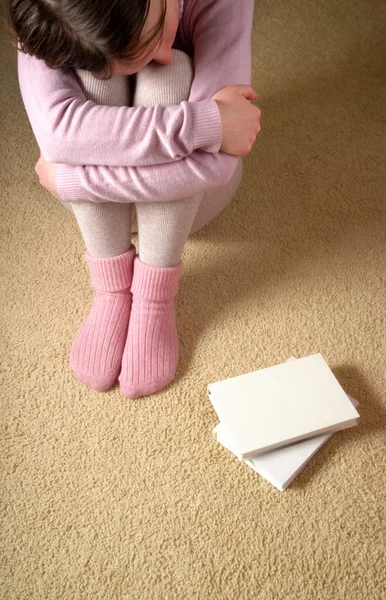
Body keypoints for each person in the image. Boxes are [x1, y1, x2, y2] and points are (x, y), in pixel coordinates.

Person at [9, 0, 261, 398]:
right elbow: (59, 134)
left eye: (159, 27)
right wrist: (206, 121)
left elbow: (219, 167)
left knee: (170, 70)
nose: (163, 48)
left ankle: (153, 295)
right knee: (99, 81)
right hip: (109, 213)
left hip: (190, 201)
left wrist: (73, 179)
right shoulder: (50, 11)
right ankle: (111, 290)